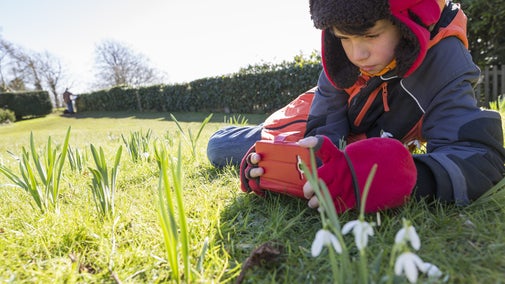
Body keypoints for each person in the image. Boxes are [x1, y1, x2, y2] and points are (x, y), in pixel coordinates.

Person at [207, 0, 505, 213]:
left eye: (371, 35)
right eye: (344, 39)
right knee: (220, 149)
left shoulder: (447, 61)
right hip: (309, 117)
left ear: (407, 22)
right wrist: (281, 168)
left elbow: (479, 156)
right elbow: (322, 130)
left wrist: (404, 178)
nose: (357, 54)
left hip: (370, 141)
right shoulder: (340, 60)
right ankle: (260, 134)